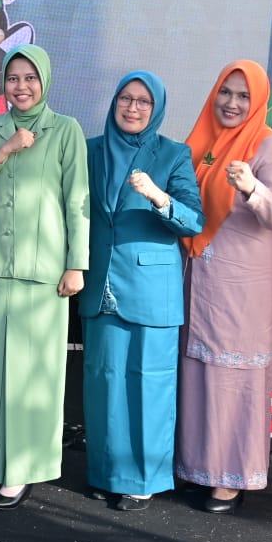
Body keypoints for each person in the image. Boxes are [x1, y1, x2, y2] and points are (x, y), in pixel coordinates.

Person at [0, 45, 89, 510]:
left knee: (32, 377)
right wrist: (6, 148)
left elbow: (77, 200)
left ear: (45, 80)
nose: (21, 87)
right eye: (13, 78)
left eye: (30, 77)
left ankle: (22, 470)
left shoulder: (66, 130)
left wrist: (77, 264)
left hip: (44, 273)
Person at [176, 61, 272, 514]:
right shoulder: (200, 141)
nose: (231, 103)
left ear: (259, 101)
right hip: (198, 277)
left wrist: (253, 188)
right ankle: (196, 469)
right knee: (198, 372)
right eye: (225, 91)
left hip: (243, 283)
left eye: (243, 96)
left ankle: (231, 479)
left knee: (234, 376)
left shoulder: (269, 146)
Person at [80, 71, 203, 512]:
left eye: (143, 102)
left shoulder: (173, 154)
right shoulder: (90, 149)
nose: (132, 108)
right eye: (125, 99)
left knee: (148, 384)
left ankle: (143, 480)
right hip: (100, 283)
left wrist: (157, 196)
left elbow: (194, 220)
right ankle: (107, 474)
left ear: (157, 109)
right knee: (104, 382)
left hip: (152, 288)